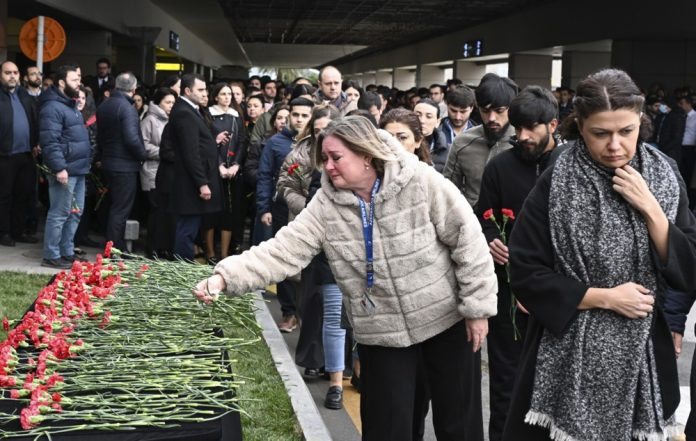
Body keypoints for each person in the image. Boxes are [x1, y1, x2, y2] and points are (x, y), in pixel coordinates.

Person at [195, 115, 497, 441]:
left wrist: (477, 306)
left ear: (366, 155)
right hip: (381, 333)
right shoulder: (325, 204)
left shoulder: (420, 180)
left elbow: (467, 239)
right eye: (324, 159)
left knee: (458, 425)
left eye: (336, 158)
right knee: (387, 429)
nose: (328, 167)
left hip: (446, 323)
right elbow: (281, 250)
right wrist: (224, 277)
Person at [502, 69, 696, 441]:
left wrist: (653, 211)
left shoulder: (663, 176)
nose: (615, 146)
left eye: (626, 131)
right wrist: (603, 298)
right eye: (600, 133)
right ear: (580, 126)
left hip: (645, 358)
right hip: (562, 353)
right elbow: (525, 270)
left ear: (640, 121)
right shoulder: (557, 178)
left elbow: (689, 271)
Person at [476, 85, 563, 441]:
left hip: (557, 300)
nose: (523, 137)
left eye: (532, 129)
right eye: (518, 129)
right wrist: (490, 239)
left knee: (553, 388)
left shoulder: (571, 167)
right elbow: (481, 215)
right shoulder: (499, 167)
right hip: (507, 297)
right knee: (506, 385)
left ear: (553, 125)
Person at [276, 104, 344, 409]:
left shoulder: (350, 159)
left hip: (342, 250)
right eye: (317, 131)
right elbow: (284, 184)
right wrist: (306, 208)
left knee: (336, 315)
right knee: (312, 303)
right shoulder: (301, 154)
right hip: (308, 233)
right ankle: (318, 363)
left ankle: (337, 372)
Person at [257, 97, 314, 333]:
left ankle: (306, 314)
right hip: (282, 209)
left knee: (309, 265)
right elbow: (264, 175)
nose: (299, 119)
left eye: (304, 115)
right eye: (295, 115)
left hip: (312, 211)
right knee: (286, 260)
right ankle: (288, 312)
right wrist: (264, 208)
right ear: (288, 115)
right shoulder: (276, 143)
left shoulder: (319, 142)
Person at [39, 65, 92, 269]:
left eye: (78, 79)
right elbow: (50, 141)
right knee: (60, 213)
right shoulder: (52, 107)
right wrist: (59, 167)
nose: (78, 83)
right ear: (61, 83)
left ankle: (66, 251)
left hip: (78, 169)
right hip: (65, 170)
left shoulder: (71, 104)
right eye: (74, 80)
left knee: (75, 212)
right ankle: (51, 254)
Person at [443, 73, 518, 209]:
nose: (491, 118)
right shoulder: (463, 142)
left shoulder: (524, 141)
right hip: (473, 222)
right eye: (485, 111)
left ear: (511, 108)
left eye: (499, 111)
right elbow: (448, 191)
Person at [168, 73, 222, 260]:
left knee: (189, 226)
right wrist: (202, 183)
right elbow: (190, 152)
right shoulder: (184, 112)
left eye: (205, 89)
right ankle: (182, 268)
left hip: (192, 180)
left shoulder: (190, 110)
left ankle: (182, 265)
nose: (204, 93)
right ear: (187, 90)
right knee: (187, 228)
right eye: (200, 90)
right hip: (191, 183)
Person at [96, 72, 147, 252]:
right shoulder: (127, 109)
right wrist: (143, 155)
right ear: (134, 90)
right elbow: (132, 139)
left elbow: (100, 136)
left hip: (108, 161)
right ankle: (115, 249)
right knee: (121, 209)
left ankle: (115, 245)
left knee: (114, 206)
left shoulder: (104, 105)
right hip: (124, 165)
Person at [202, 83, 248, 263]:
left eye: (230, 94)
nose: (228, 97)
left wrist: (236, 164)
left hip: (233, 172)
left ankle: (224, 254)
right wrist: (219, 165)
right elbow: (205, 144)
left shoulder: (237, 116)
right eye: (223, 94)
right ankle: (211, 252)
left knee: (230, 212)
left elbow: (242, 142)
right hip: (213, 172)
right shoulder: (207, 115)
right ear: (215, 97)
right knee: (211, 213)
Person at [0, 60, 39, 247]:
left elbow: (34, 120)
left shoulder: (24, 95)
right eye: (8, 72)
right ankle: (4, 232)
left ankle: (18, 231)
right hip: (4, 155)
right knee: (4, 196)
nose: (12, 76)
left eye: (15, 72)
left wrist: (36, 142)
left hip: (25, 154)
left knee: (23, 195)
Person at [244, 104, 290, 247]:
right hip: (265, 197)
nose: (283, 121)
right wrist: (269, 179)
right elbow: (250, 170)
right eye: (279, 118)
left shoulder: (297, 144)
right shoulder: (261, 143)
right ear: (274, 122)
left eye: (287, 118)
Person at [140, 87, 176, 257]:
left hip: (166, 172)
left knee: (165, 212)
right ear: (158, 103)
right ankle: (152, 247)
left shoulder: (173, 120)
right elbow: (144, 146)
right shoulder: (150, 120)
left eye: (173, 103)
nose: (170, 106)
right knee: (156, 212)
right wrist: (164, 151)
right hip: (152, 170)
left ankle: (164, 246)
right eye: (167, 102)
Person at [414, 98, 448, 173]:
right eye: (417, 115)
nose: (422, 121)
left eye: (428, 117)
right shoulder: (400, 144)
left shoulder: (448, 151)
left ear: (438, 122)